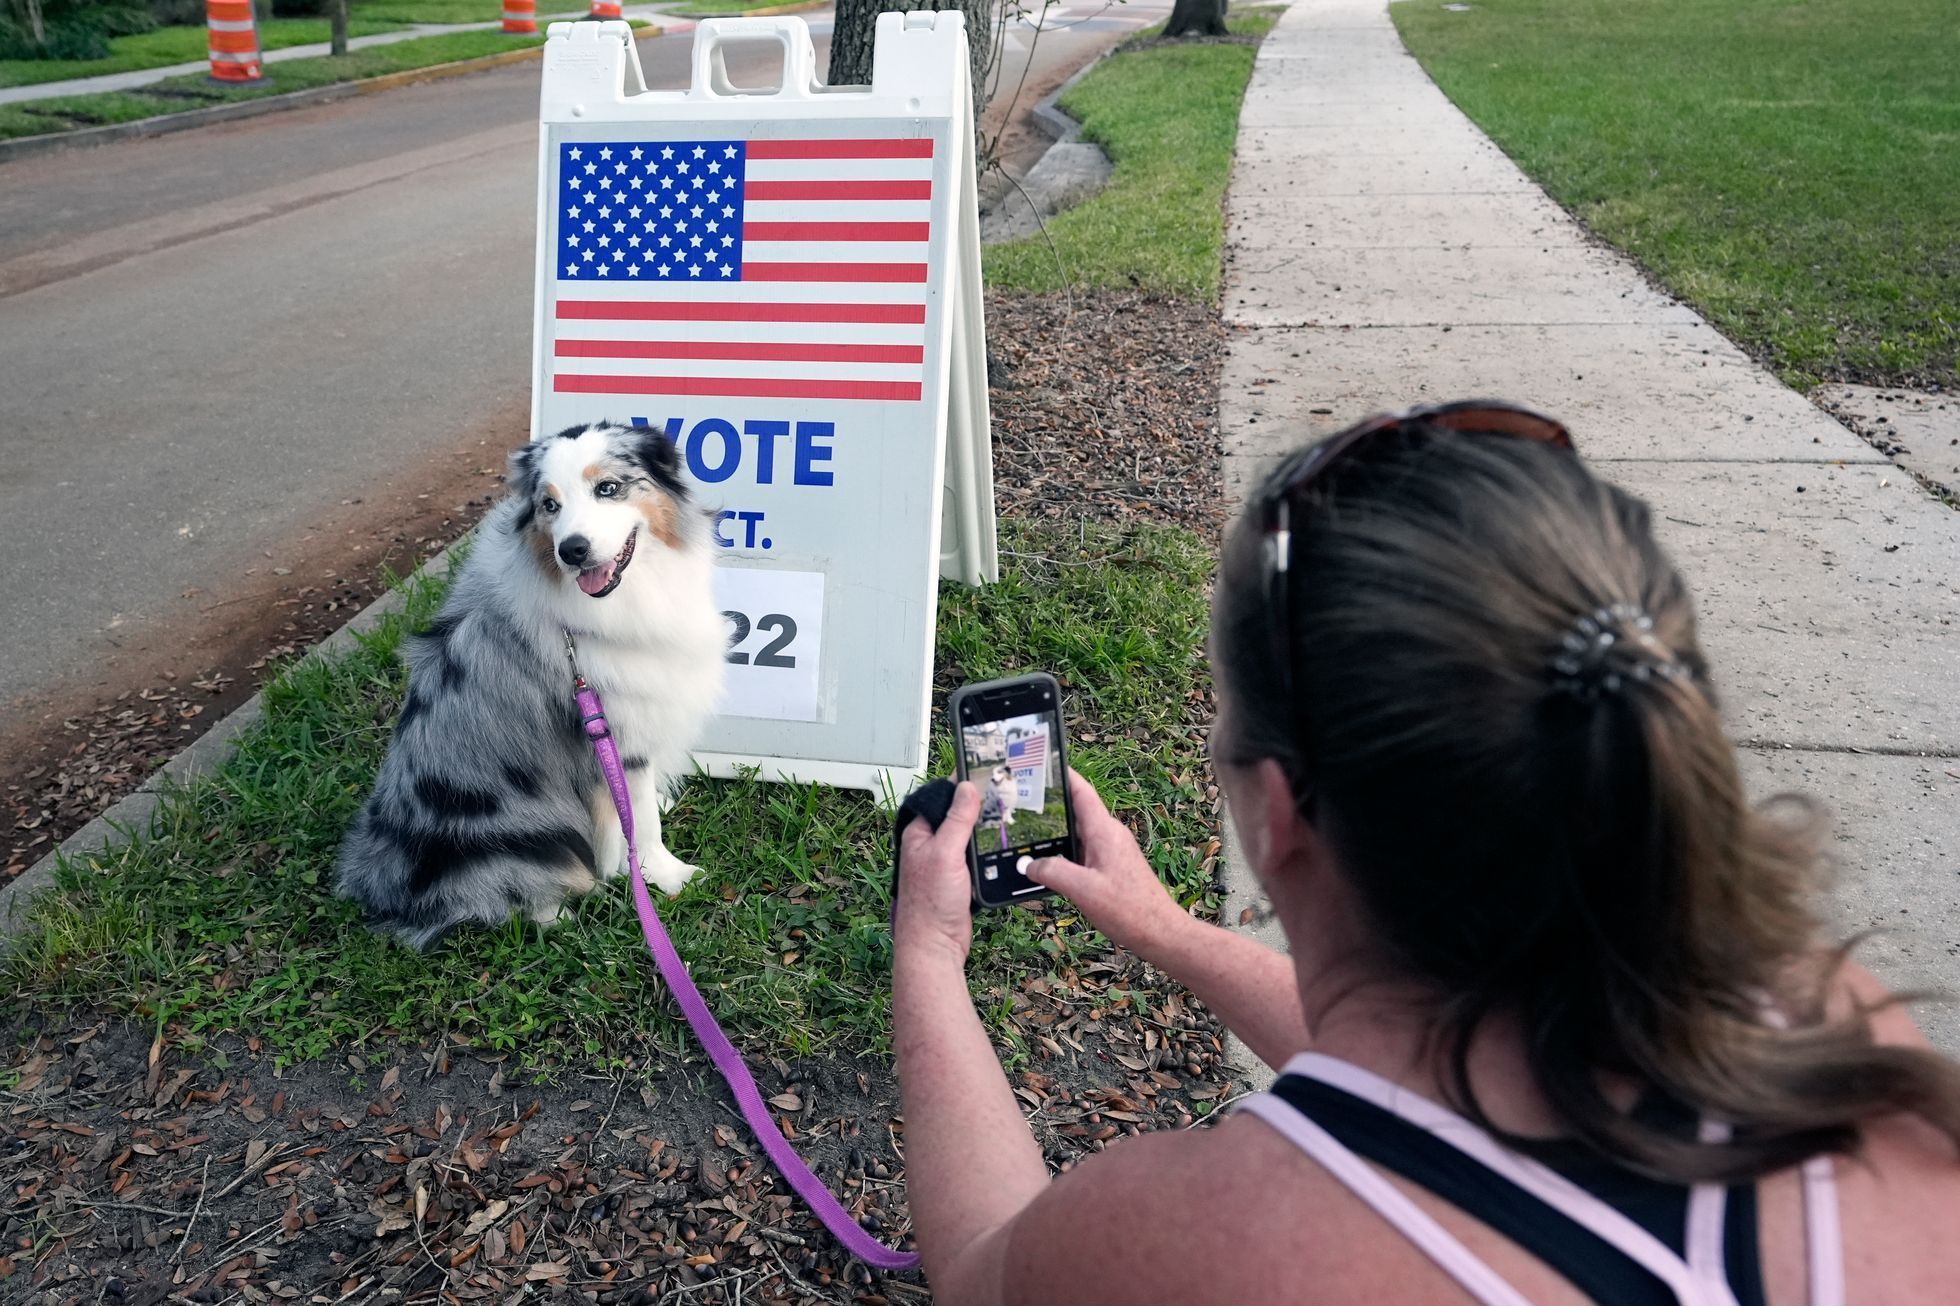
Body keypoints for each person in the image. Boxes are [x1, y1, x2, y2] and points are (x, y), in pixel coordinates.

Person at [889, 403, 1960, 1305]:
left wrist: (929, 957)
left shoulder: (1211, 1238)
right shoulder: (1831, 1026)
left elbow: (986, 1263)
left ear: (1276, 808)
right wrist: (1168, 932)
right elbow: (1437, 1088)